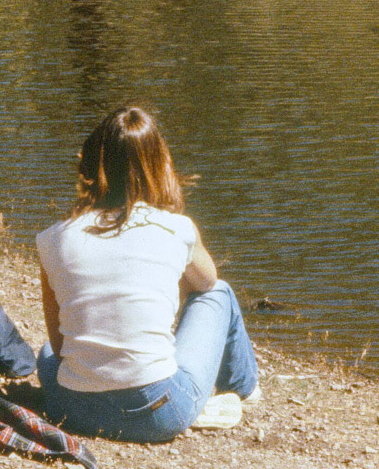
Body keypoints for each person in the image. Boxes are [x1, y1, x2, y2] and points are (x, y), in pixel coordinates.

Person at [35, 106, 260, 442]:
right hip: (157, 413)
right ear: (159, 165)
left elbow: (60, 343)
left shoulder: (52, 238)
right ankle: (243, 389)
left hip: (72, 409)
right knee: (219, 294)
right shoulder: (175, 227)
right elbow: (207, 282)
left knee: (47, 353)